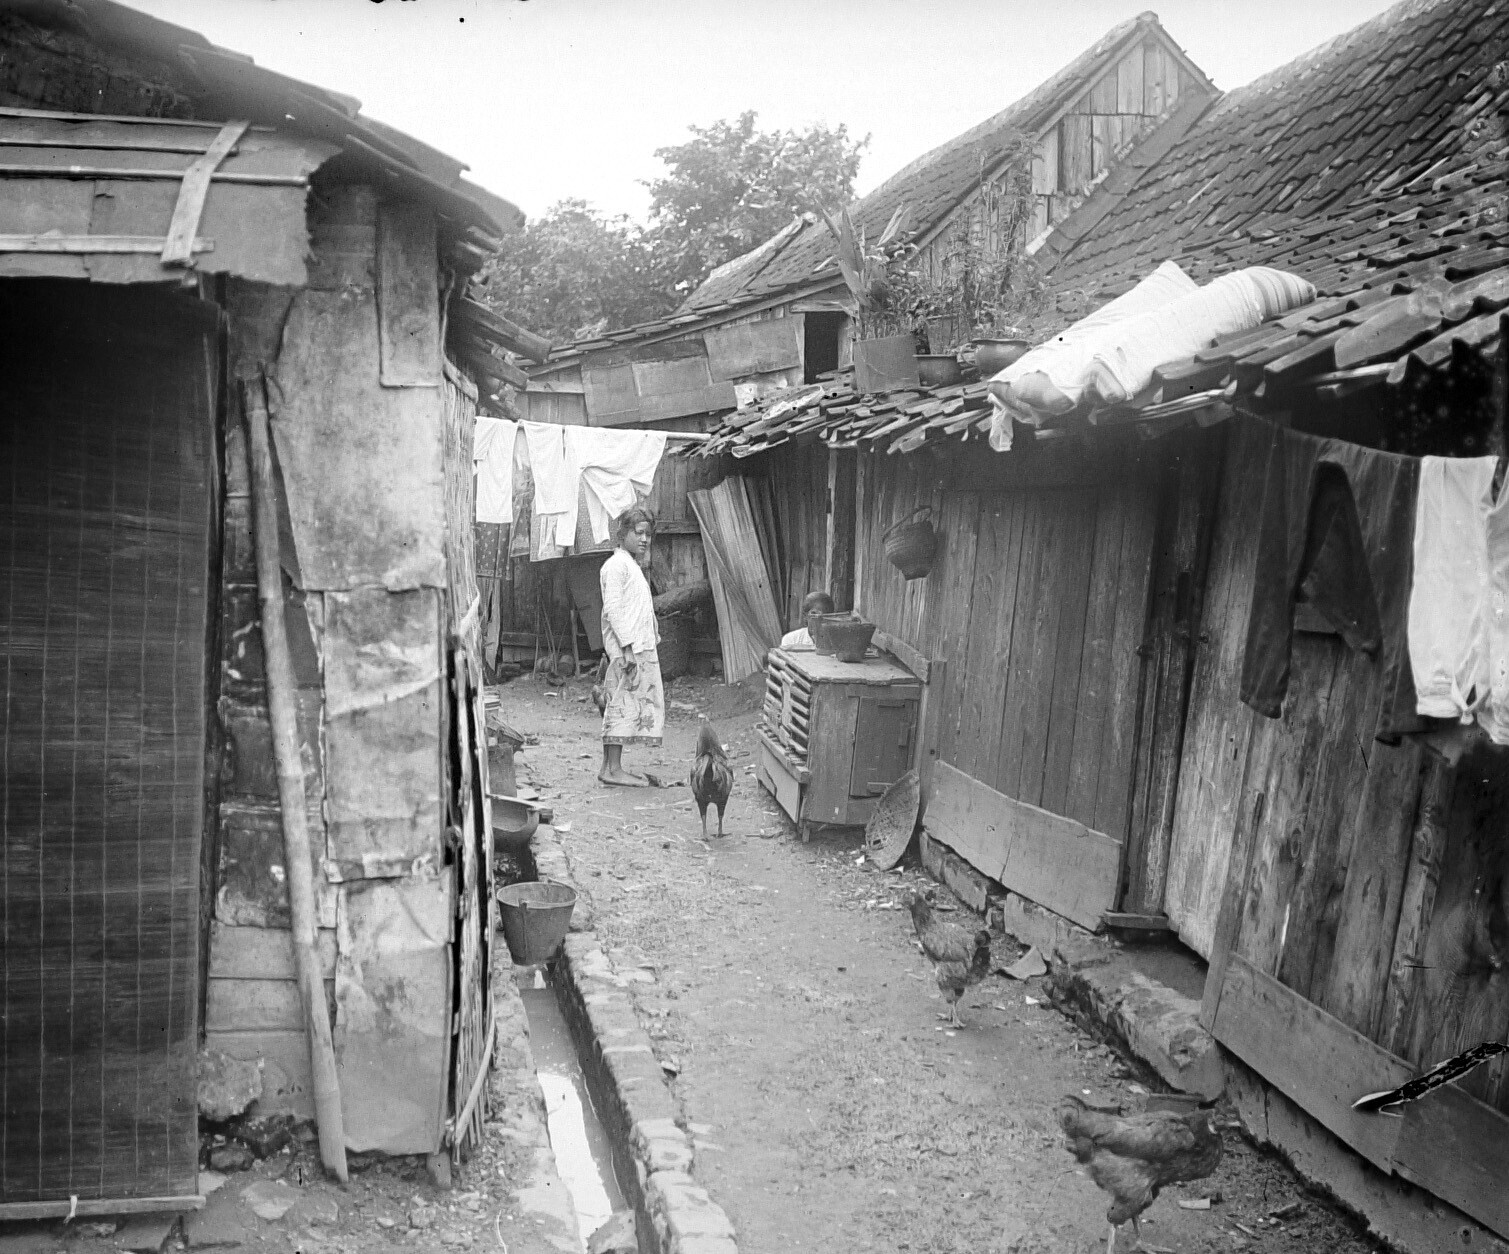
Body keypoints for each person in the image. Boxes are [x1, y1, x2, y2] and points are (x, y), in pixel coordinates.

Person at [598, 507, 663, 786]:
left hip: (637, 646)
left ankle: (610, 767)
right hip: (628, 649)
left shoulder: (631, 565)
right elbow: (613, 610)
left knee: (624, 704)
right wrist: (626, 648)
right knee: (622, 704)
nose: (644, 539)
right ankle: (613, 769)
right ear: (623, 534)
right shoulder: (616, 566)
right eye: (638, 533)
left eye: (648, 534)